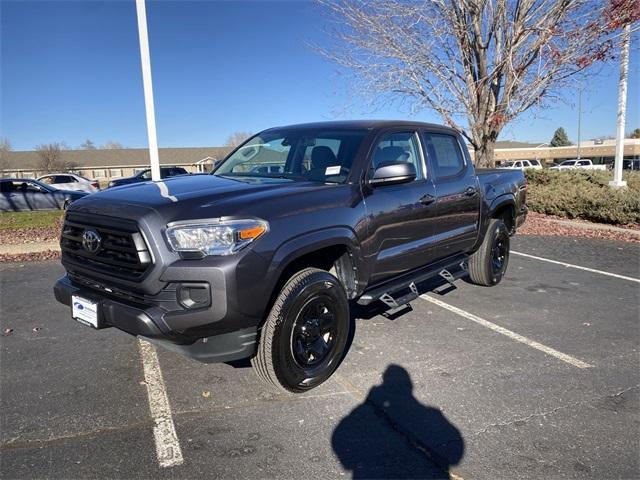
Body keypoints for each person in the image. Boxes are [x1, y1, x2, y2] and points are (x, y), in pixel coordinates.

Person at [332, 365, 464, 479]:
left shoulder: (360, 411)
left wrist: (351, 463)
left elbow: (340, 434)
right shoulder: (432, 413)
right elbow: (455, 451)